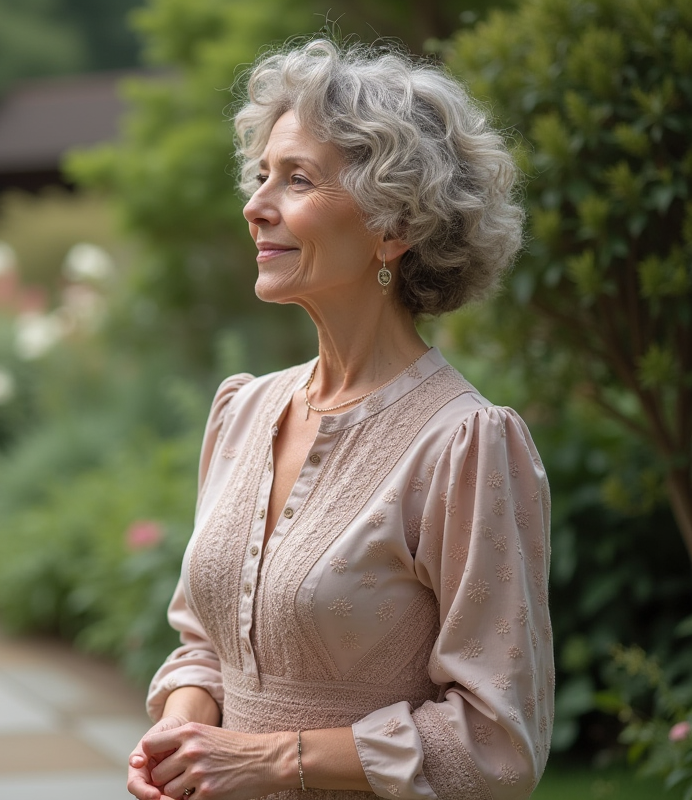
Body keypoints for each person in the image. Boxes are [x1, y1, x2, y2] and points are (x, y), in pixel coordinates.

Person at [126, 39, 553, 800]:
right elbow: (205, 641)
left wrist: (266, 761)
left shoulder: (464, 444)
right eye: (261, 176)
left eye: (297, 179)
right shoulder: (241, 411)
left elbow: (498, 741)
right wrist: (184, 728)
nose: (257, 205)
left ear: (395, 226)